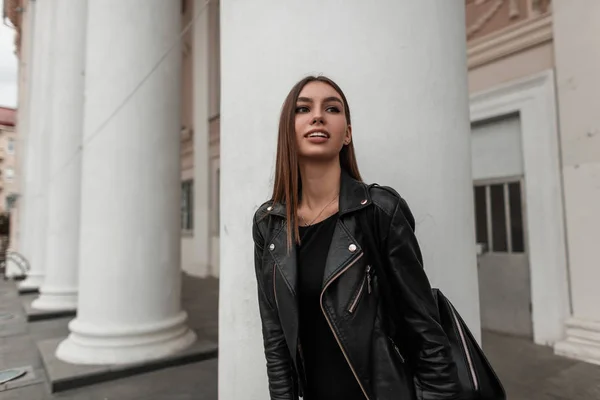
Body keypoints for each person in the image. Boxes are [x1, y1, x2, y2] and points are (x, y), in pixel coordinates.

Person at [252, 76, 461, 400]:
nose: (318, 116)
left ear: (347, 133)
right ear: (287, 131)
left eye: (332, 108)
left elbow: (423, 326)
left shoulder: (380, 211)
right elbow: (275, 336)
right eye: (303, 108)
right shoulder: (269, 225)